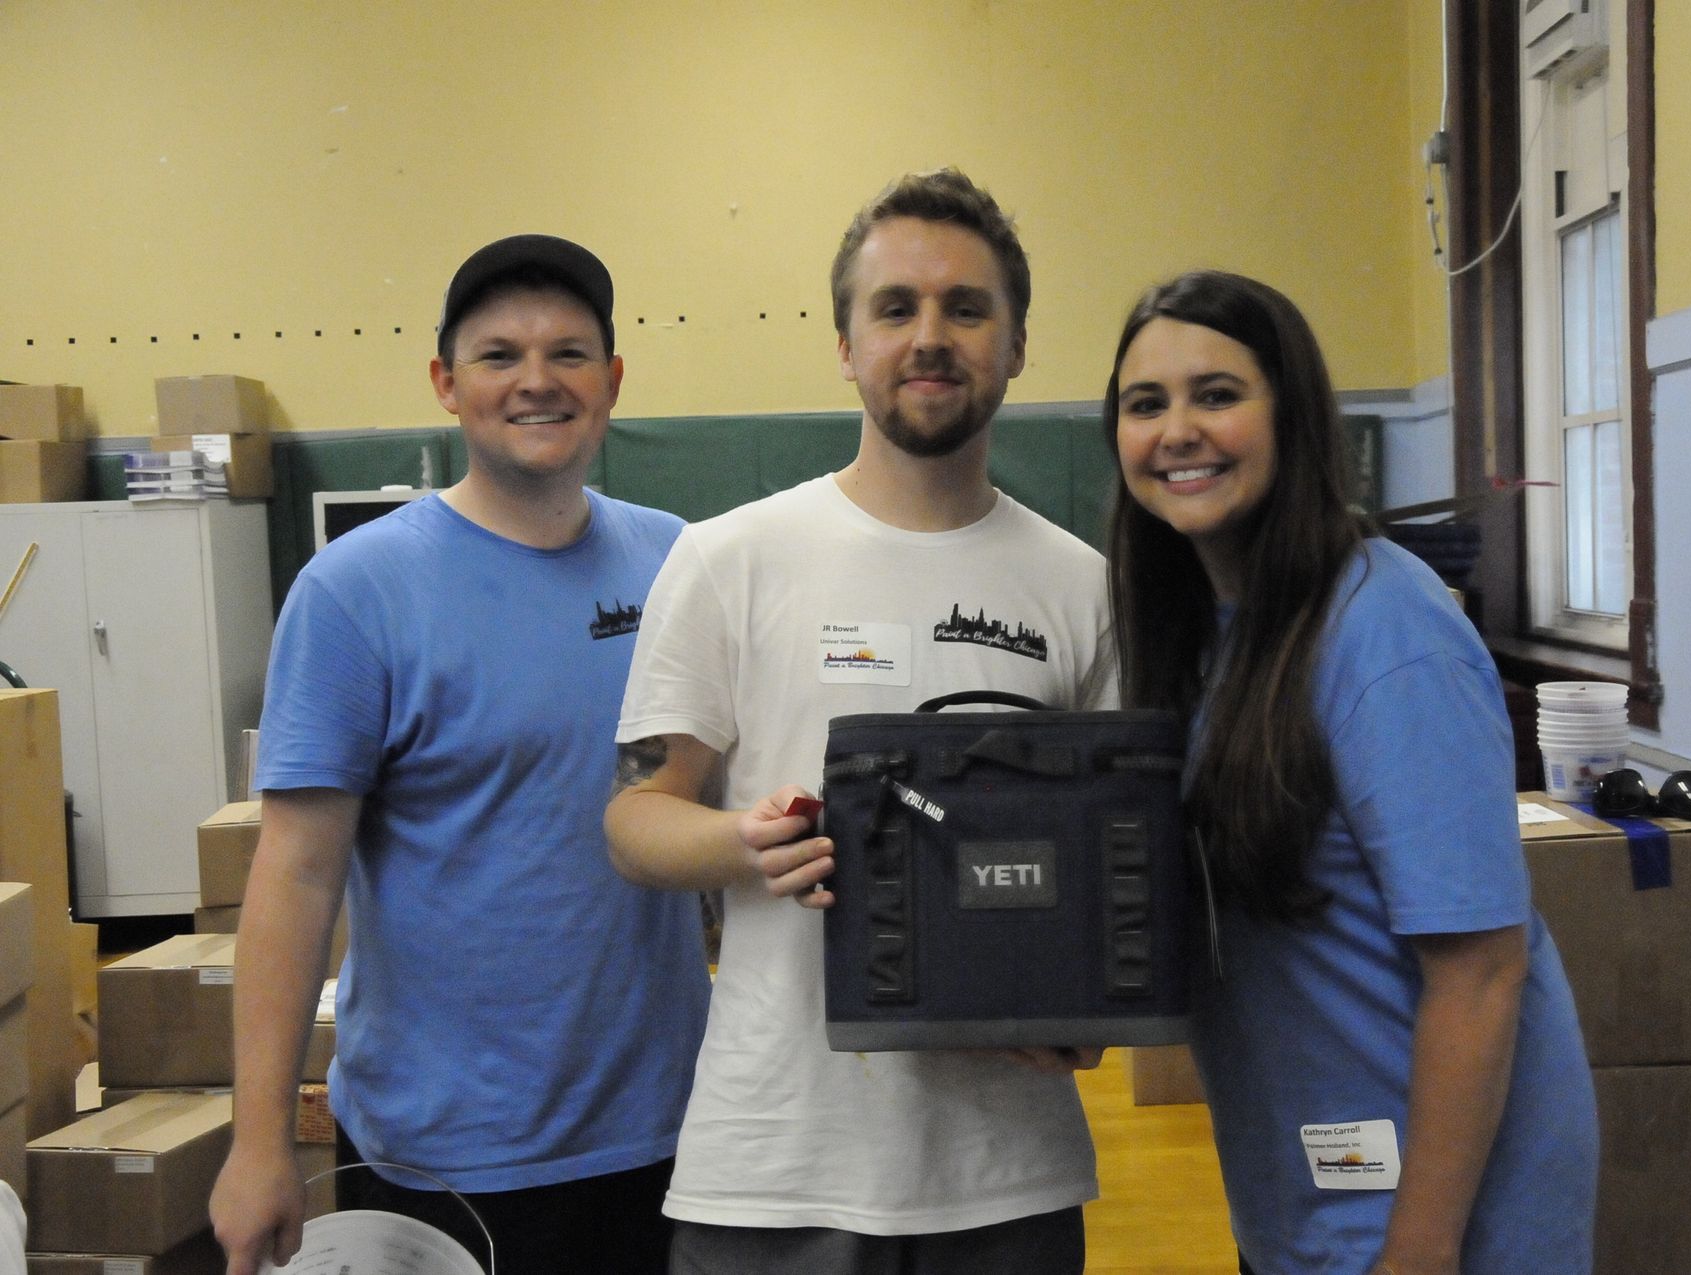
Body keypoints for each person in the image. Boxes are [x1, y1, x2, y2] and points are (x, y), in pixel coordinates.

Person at [604, 169, 1112, 1275]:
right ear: (846, 344)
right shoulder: (728, 559)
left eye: (966, 308)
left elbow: (1117, 855)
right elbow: (636, 820)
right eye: (895, 308)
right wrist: (746, 842)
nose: (930, 337)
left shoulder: (1082, 586)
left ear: (1018, 345)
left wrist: (1090, 1000)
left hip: (1005, 1177)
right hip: (774, 1170)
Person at [209, 235, 710, 1275]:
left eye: (569, 353)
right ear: (446, 383)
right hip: (442, 1155)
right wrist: (258, 1143)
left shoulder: (679, 560)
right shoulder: (356, 592)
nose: (537, 380)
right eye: (498, 356)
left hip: (671, 1133)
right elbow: (295, 876)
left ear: (613, 380)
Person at [1102, 270, 1598, 1275]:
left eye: (1217, 395)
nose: (1178, 431)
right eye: (1145, 404)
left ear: (1293, 416)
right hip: (1309, 1199)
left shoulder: (1386, 627)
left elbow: (1480, 970)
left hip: (1437, 1224)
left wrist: (1418, 1250)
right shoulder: (1200, 638)